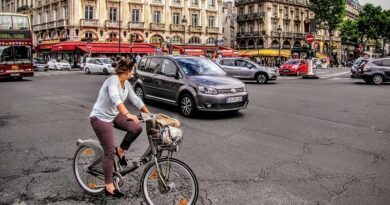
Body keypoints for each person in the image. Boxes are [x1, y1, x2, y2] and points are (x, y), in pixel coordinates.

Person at [89, 59, 151, 198]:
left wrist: (149, 114)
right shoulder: (113, 80)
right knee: (109, 152)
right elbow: (115, 98)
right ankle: (109, 185)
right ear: (127, 71)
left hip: (114, 115)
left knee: (136, 128)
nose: (134, 72)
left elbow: (136, 100)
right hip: (100, 118)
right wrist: (128, 114)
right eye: (133, 70)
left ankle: (121, 150)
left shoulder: (126, 83)